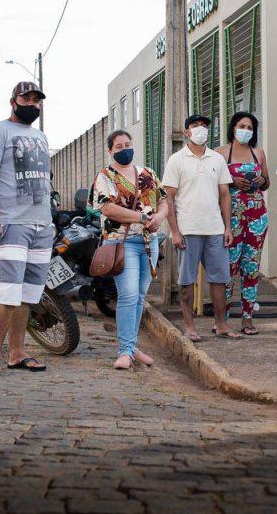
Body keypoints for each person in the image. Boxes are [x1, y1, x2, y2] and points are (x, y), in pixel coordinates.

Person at [0, 81, 53, 377]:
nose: (32, 103)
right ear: (13, 101)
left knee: (27, 293)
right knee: (5, 291)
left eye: (37, 99)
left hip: (41, 225)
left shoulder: (41, 136)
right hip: (11, 222)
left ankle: (17, 352)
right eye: (27, 98)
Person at [94, 130, 167, 369]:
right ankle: (125, 351)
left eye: (127, 144)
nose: (124, 149)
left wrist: (158, 217)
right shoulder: (105, 176)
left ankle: (132, 347)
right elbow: (107, 209)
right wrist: (140, 216)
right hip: (121, 243)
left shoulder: (148, 173)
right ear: (110, 151)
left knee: (139, 297)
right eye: (118, 146)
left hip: (148, 242)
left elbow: (164, 200)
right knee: (126, 295)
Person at [163, 115, 239, 342]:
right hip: (187, 230)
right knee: (186, 282)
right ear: (187, 132)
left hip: (215, 229)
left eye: (204, 126)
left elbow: (225, 195)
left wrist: (228, 228)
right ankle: (189, 326)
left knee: (219, 279)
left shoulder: (217, 159)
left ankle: (221, 324)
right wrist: (175, 232)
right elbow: (168, 198)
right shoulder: (176, 160)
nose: (201, 130)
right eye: (195, 127)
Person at [215, 112, 270, 336]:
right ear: (233, 128)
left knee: (251, 268)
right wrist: (231, 181)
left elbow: (266, 183)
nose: (245, 130)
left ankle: (247, 317)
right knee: (228, 268)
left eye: (249, 127)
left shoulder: (258, 153)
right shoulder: (220, 153)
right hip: (231, 218)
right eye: (241, 126)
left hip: (257, 216)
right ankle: (223, 318)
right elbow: (214, 185)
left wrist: (261, 181)